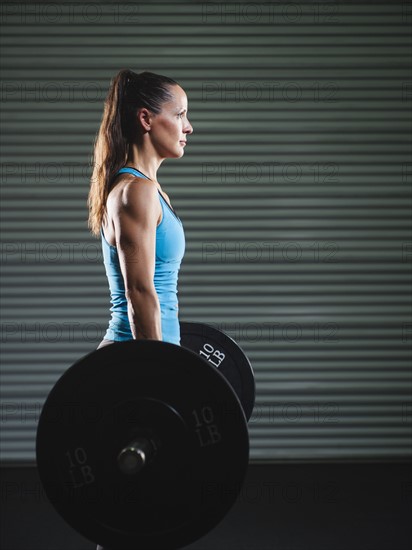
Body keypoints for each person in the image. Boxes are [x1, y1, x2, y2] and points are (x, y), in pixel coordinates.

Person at [88, 68, 193, 355]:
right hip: (132, 359)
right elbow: (140, 292)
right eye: (179, 114)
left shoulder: (152, 192)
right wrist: (155, 369)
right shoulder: (136, 191)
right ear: (146, 118)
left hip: (151, 354)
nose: (188, 127)